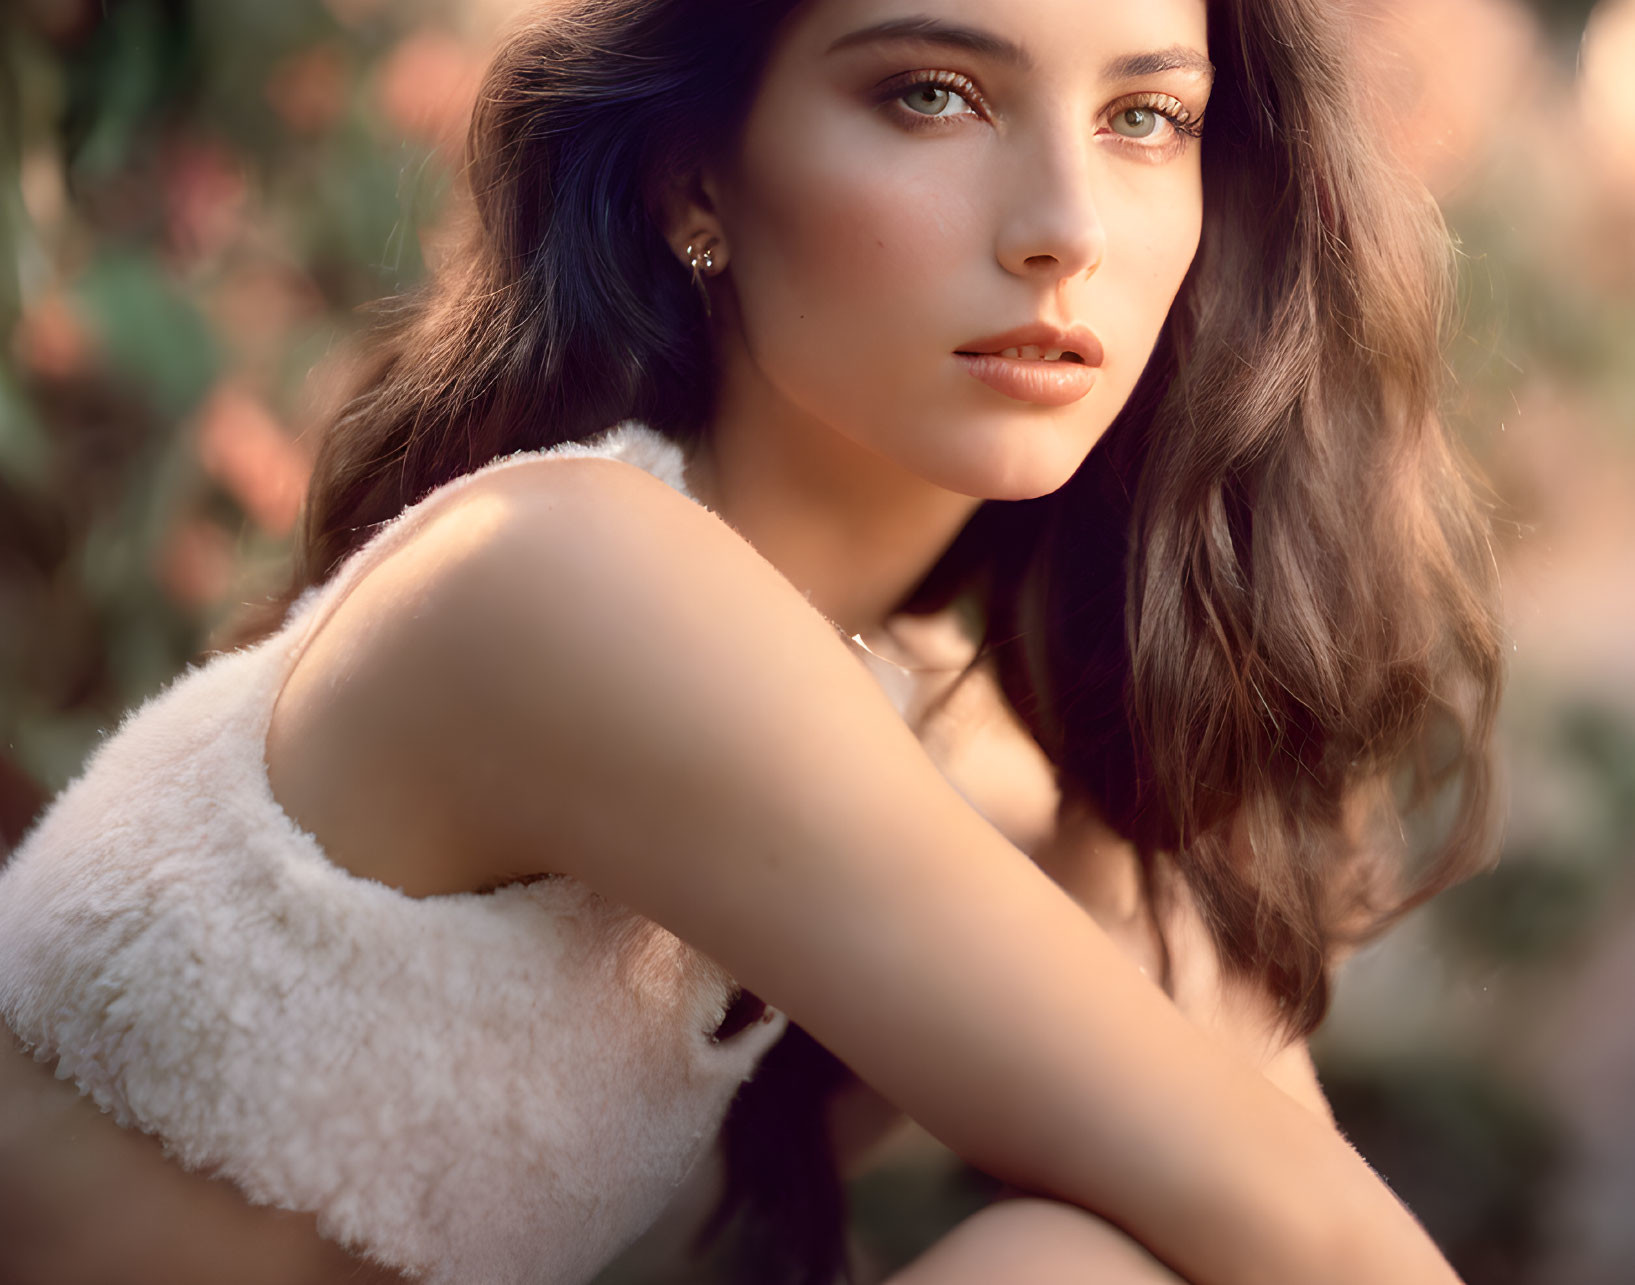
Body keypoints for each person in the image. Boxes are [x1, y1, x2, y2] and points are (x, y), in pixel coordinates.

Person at [0, 0, 1505, 1282]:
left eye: (1146, 118)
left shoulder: (924, 711)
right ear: (691, 178)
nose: (1066, 229)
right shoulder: (572, 576)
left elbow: (1264, 1145)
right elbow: (1308, 1230)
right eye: (934, 94)